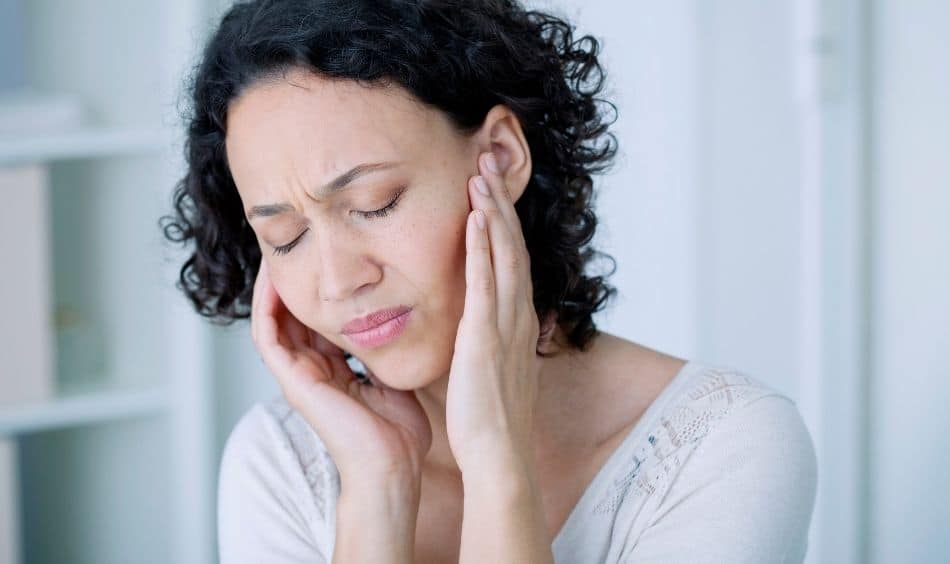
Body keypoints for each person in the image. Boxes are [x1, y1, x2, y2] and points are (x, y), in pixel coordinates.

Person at [160, 0, 818, 562]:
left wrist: (498, 460)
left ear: (499, 158)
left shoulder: (726, 444)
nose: (336, 282)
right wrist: (379, 487)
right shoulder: (282, 461)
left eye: (375, 203)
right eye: (286, 237)